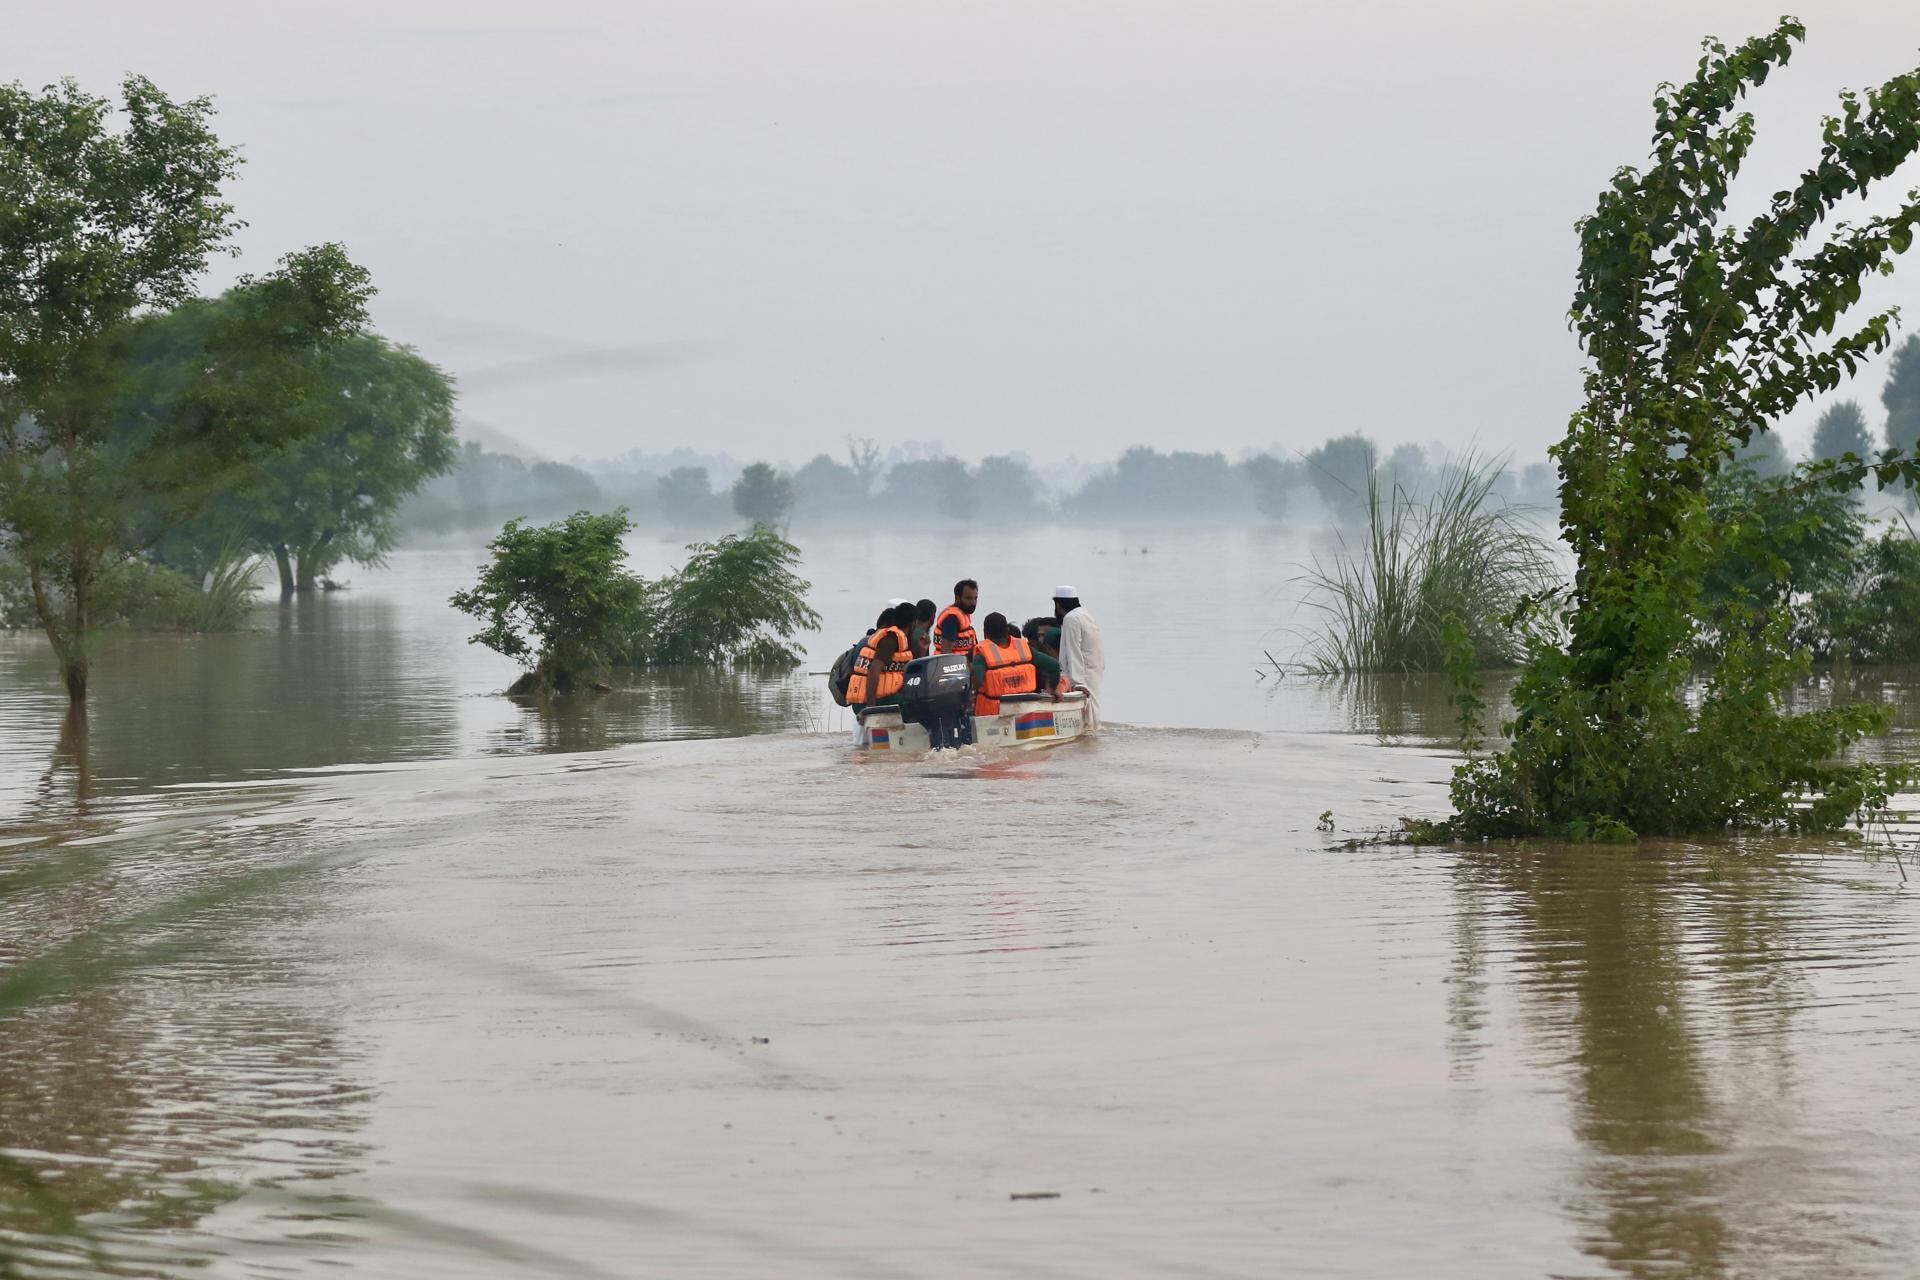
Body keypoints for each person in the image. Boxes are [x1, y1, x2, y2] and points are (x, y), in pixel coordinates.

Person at [971, 613, 1060, 716]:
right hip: (1025, 713)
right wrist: (1052, 688)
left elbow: (978, 681)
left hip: (994, 716)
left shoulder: (982, 654)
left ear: (985, 634)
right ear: (1007, 630)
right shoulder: (1023, 648)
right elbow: (1054, 666)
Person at [1053, 586, 1105, 726]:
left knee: (1088, 713)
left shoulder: (1071, 618)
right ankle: (1092, 740)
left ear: (1058, 604)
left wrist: (1077, 683)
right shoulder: (1085, 614)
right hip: (1093, 669)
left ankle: (1090, 739)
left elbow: (1073, 651)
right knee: (1093, 711)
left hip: (1083, 674)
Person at [847, 602, 914, 709]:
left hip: (868, 699)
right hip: (869, 701)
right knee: (914, 702)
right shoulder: (890, 640)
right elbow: (874, 670)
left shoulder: (888, 640)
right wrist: (871, 707)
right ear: (913, 623)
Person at [933, 579, 979, 656]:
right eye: (969, 598)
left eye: (975, 598)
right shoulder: (952, 618)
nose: (973, 603)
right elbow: (945, 653)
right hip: (951, 665)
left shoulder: (963, 616)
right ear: (957, 598)